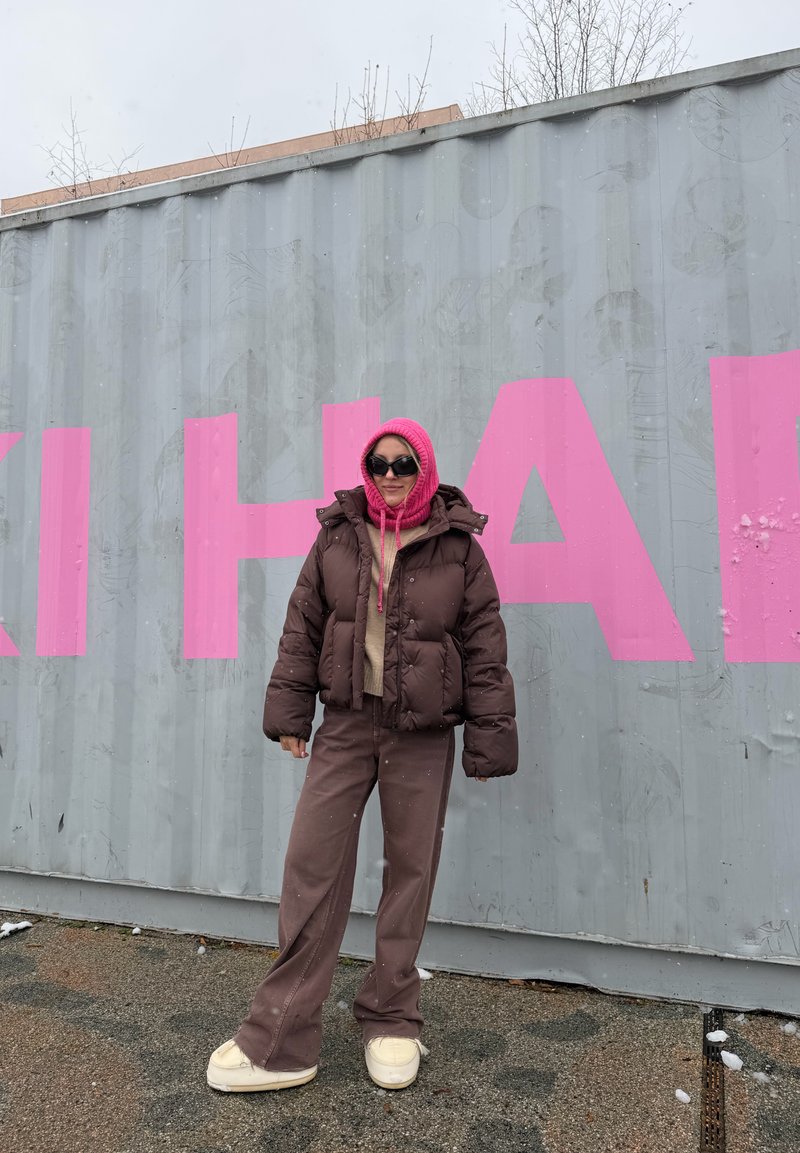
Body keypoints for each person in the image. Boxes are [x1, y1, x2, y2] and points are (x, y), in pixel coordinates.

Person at [207, 417, 517, 1094]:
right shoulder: (338, 535)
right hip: (346, 723)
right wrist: (291, 714)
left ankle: (392, 1013)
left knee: (410, 869)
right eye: (377, 464)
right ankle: (284, 1037)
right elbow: (303, 625)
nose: (389, 474)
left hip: (423, 730)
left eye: (403, 462)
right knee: (311, 865)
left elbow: (485, 646)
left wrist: (489, 737)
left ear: (424, 466)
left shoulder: (458, 548)